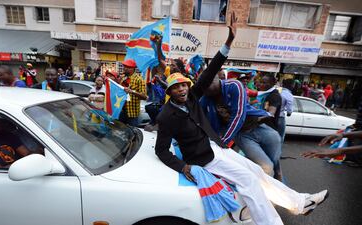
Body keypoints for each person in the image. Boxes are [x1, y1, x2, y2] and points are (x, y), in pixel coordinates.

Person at [155, 13, 328, 225]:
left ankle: (300, 203)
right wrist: (184, 167)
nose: (181, 89)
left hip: (216, 146)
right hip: (204, 159)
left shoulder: (192, 96)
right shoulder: (166, 115)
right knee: (248, 182)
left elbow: (210, 71)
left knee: (256, 171)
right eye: (176, 87)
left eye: (183, 85)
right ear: (170, 91)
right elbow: (161, 150)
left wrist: (229, 41)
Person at [119, 59, 147, 126]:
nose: (125, 68)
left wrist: (132, 92)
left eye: (127, 67)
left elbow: (144, 96)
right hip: (121, 111)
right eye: (124, 66)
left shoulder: (139, 79)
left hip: (132, 113)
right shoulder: (123, 78)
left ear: (133, 69)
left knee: (133, 132)